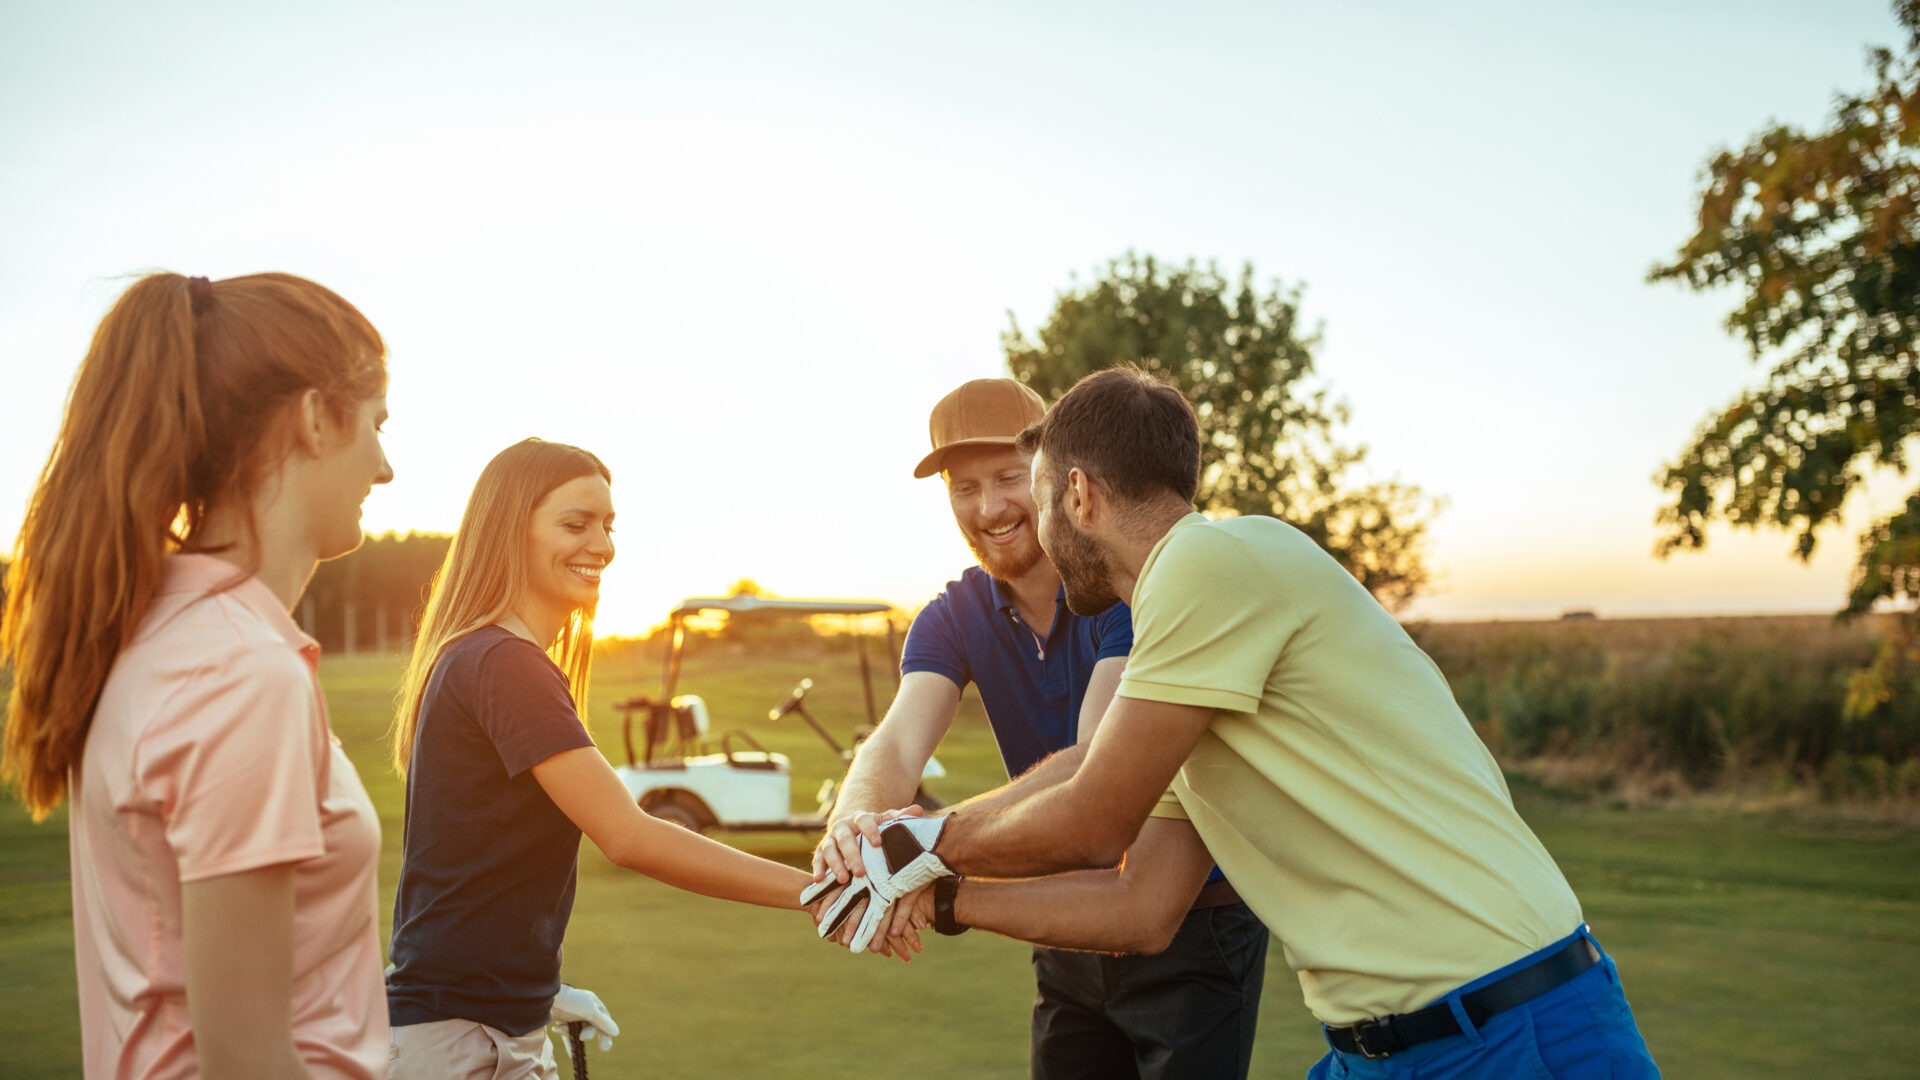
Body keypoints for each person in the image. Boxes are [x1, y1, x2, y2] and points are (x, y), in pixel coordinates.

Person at [831, 367, 1662, 1078]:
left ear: (1076, 494)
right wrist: (944, 898)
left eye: (1037, 495)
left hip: (1514, 1027)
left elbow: (1092, 818)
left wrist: (916, 847)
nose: (1032, 525)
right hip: (1376, 1051)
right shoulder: (1185, 664)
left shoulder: (1209, 562)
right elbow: (1141, 906)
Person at [809, 377, 1268, 1080]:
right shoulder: (952, 615)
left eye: (1007, 478)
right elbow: (898, 740)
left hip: (1191, 932)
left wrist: (917, 850)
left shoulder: (1122, 586)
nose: (988, 507)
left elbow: (1092, 764)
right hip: (1061, 930)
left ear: (1057, 474)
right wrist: (853, 830)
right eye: (964, 488)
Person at [2, 272, 394, 1079]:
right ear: (317, 418)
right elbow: (247, 1064)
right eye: (376, 426)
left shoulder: (164, 637)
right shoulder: (240, 675)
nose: (385, 468)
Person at [384, 438, 813, 1080]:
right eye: (575, 523)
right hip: (462, 1044)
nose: (602, 546)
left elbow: (473, 871)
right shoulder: (505, 664)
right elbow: (628, 835)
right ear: (510, 532)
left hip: (483, 1028)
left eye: (608, 525)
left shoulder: (484, 655)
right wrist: (819, 893)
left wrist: (543, 992)